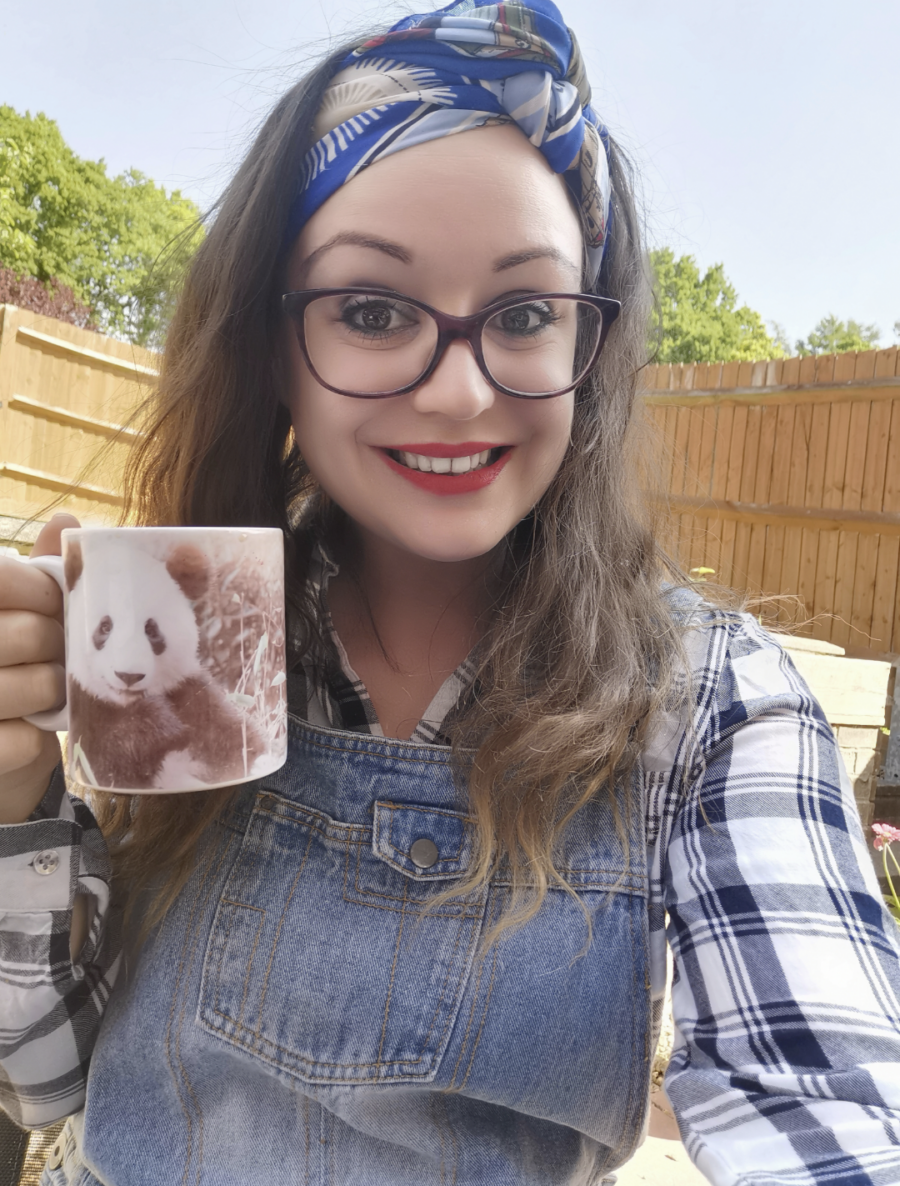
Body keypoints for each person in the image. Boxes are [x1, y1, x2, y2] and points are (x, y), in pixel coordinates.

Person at [1, 3, 899, 1184]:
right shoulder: (180, 630)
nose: (462, 393)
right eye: (373, 310)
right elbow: (46, 1075)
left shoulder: (710, 704)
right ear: (272, 340)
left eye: (525, 314)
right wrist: (17, 798)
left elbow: (827, 1108)